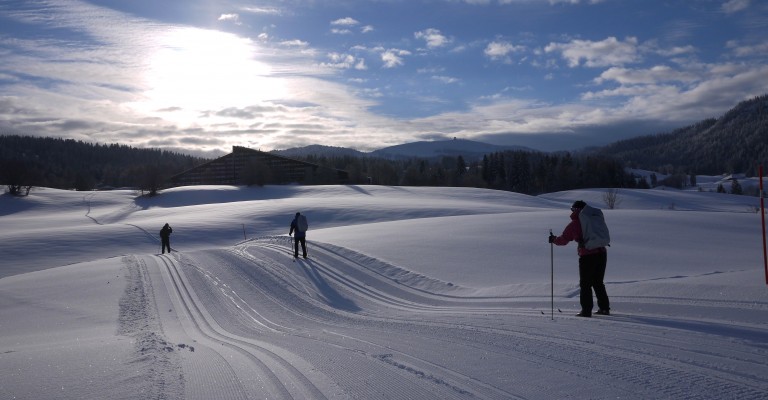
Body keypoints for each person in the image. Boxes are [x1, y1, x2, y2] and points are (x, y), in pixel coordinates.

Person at [549, 200, 610, 317]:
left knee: (585, 283)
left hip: (588, 255)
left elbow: (564, 239)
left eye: (572, 209)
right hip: (602, 252)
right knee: (598, 282)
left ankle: (586, 311)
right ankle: (604, 308)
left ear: (576, 210)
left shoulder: (576, 223)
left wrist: (554, 239)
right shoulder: (595, 218)